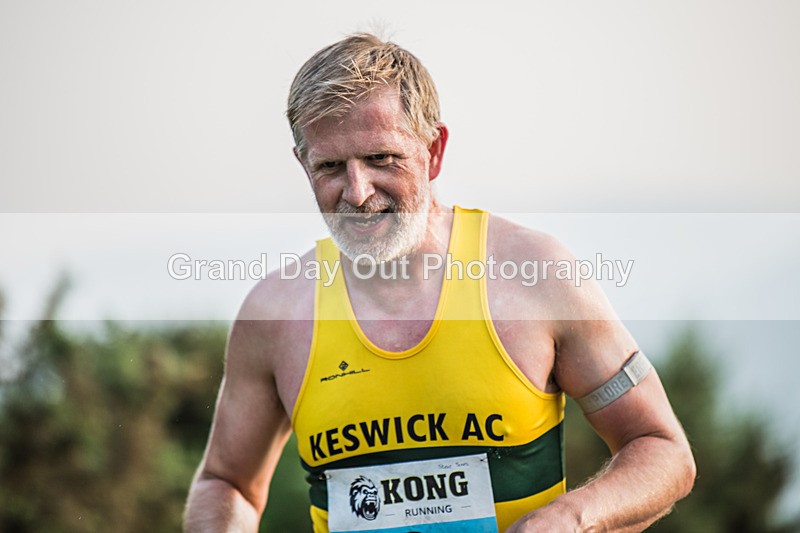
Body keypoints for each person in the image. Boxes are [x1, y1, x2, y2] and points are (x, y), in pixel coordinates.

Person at [184, 33, 696, 532]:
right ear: (303, 165)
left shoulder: (537, 276)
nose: (358, 193)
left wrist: (569, 519)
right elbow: (226, 482)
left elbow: (661, 447)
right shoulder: (274, 315)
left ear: (434, 150)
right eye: (331, 167)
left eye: (381, 158)